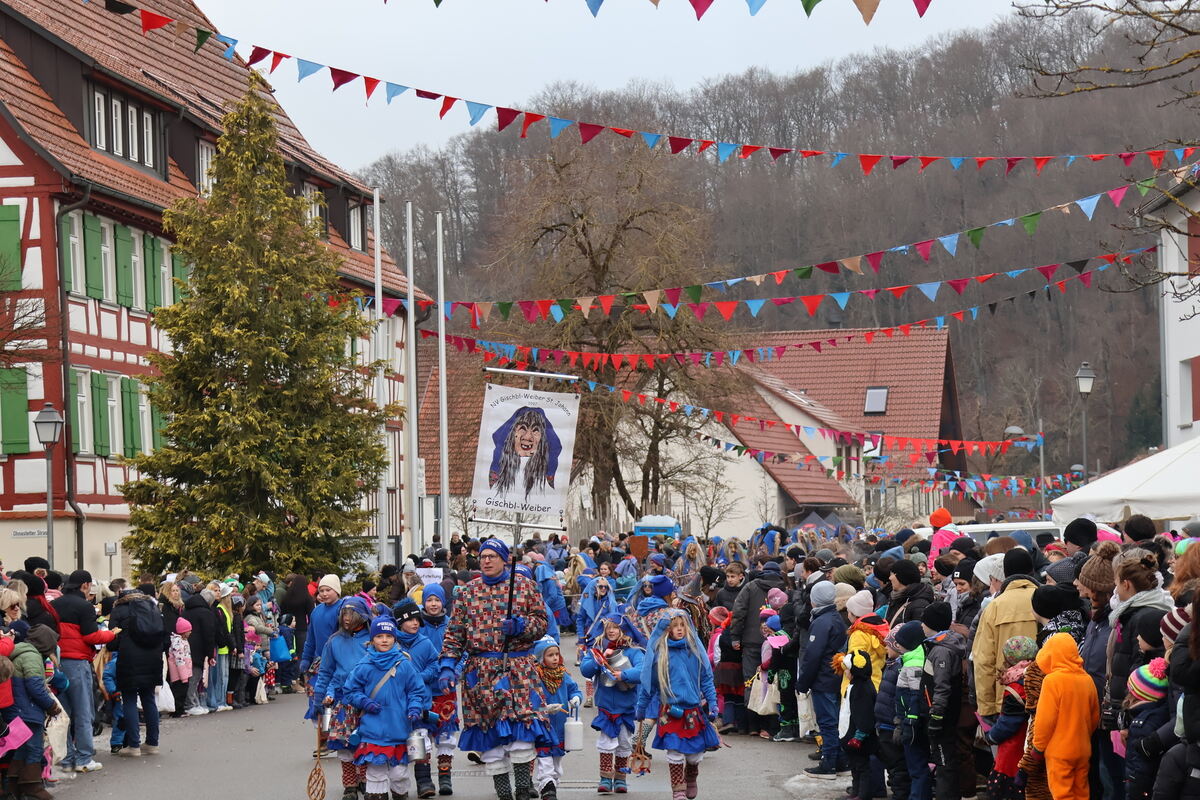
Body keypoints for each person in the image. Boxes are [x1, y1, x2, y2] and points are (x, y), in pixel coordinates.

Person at [437, 538, 550, 800]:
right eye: (483, 556)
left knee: (522, 727)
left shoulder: (524, 586)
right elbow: (454, 634)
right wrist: (447, 665)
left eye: (492, 556)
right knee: (489, 734)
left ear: (504, 559)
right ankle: (503, 793)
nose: (486, 561)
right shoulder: (468, 592)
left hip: (518, 667)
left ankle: (523, 788)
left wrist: (522, 626)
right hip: (481, 672)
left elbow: (542, 623)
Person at [342, 615, 430, 800]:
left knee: (399, 774)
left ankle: (401, 795)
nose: (384, 640)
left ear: (395, 638)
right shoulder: (364, 665)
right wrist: (364, 701)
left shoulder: (405, 664)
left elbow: (416, 690)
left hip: (400, 727)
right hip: (373, 729)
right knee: (375, 774)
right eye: (379, 636)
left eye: (388, 636)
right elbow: (350, 690)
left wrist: (414, 707)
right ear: (372, 639)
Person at [636, 610, 719, 800]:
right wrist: (641, 708)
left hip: (693, 711)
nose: (680, 629)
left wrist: (713, 703)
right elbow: (649, 684)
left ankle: (691, 776)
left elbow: (706, 678)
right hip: (669, 712)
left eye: (683, 626)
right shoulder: (660, 654)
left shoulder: (695, 651)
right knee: (674, 752)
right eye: (675, 626)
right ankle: (678, 790)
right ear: (667, 629)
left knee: (694, 756)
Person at [51, 569, 113, 773]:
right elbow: (91, 637)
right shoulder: (84, 606)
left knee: (65, 713)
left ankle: (67, 758)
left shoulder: (54, 605)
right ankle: (84, 757)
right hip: (78, 663)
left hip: (57, 663)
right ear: (85, 585)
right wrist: (111, 635)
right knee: (84, 710)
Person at [1025, 632, 1100, 800]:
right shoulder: (1087, 679)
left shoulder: (1052, 681)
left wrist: (1038, 748)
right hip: (1083, 748)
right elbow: (1095, 716)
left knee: (1062, 794)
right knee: (1082, 792)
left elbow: (1045, 720)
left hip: (1059, 751)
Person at [314, 597, 373, 800]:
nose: (347, 618)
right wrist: (318, 699)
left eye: (352, 614)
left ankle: (366, 779)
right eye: (344, 614)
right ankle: (349, 783)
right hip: (342, 701)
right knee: (344, 743)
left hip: (367, 700)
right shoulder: (334, 641)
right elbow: (325, 672)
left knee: (365, 741)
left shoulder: (373, 640)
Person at [581, 614, 645, 795]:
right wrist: (599, 658)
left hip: (626, 707)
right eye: (608, 627)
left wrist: (624, 675)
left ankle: (620, 779)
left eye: (615, 627)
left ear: (623, 629)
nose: (611, 630)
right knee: (607, 741)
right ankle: (605, 779)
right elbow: (585, 669)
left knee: (624, 743)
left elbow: (642, 671)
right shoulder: (597, 648)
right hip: (606, 706)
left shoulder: (633, 651)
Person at [973, 549, 1039, 721]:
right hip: (1043, 693)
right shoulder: (1045, 598)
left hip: (1006, 696)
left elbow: (984, 660)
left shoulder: (994, 607)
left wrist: (986, 707)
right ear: (1032, 570)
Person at [728, 561, 786, 737]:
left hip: (752, 641)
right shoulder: (785, 587)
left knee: (751, 682)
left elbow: (739, 612)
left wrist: (735, 637)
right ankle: (769, 726)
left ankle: (751, 725)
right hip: (777, 641)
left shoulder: (750, 587)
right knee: (772, 682)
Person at [797, 581, 846, 780]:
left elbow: (813, 655)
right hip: (834, 677)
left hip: (823, 679)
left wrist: (803, 683)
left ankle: (829, 763)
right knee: (833, 721)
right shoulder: (835, 618)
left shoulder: (822, 621)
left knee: (827, 722)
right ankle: (840, 761)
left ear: (814, 600)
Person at [107, 587, 165, 756]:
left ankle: (134, 745)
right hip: (152, 658)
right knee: (149, 699)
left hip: (129, 659)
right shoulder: (153, 608)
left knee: (130, 699)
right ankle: (152, 743)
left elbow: (112, 640)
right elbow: (164, 636)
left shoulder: (118, 610)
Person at [8, 622, 60, 800]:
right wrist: (51, 706)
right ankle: (32, 786)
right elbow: (35, 687)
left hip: (17, 709)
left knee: (22, 748)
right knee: (34, 748)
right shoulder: (32, 656)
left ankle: (14, 785)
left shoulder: (21, 651)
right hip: (27, 710)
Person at [921, 601, 967, 800]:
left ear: (931, 624)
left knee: (944, 761)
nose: (921, 626)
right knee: (945, 759)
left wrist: (936, 716)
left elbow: (941, 687)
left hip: (943, 716)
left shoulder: (941, 651)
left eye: (924, 622)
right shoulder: (942, 644)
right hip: (945, 712)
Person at [982, 636, 1036, 800]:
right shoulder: (1036, 676)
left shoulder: (1016, 686)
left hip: (1013, 752)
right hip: (1032, 747)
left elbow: (1008, 723)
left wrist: (991, 736)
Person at [531, 637, 581, 800]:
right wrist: (543, 709)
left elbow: (574, 689)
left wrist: (576, 698)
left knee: (557, 761)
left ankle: (553, 784)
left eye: (556, 654)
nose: (554, 658)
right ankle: (547, 785)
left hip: (559, 726)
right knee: (545, 758)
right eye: (550, 655)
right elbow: (530, 703)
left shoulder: (563, 674)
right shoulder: (535, 677)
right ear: (540, 658)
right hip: (543, 725)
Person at [419, 584, 457, 796]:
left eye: (437, 600)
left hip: (445, 690)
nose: (433, 604)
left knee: (445, 735)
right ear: (424, 602)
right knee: (422, 733)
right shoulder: (417, 626)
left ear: (443, 602)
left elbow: (463, 652)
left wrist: (456, 672)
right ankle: (424, 780)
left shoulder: (451, 625)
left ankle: (445, 777)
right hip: (423, 691)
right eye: (429, 600)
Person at [894, 619, 933, 800]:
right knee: (915, 765)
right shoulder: (909, 659)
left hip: (913, 723)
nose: (897, 647)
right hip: (909, 721)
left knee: (917, 766)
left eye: (900, 643)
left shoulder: (914, 663)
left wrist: (909, 720)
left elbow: (916, 695)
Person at [1125, 658, 1170, 800]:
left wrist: (1133, 789)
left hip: (1139, 786)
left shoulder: (1142, 725)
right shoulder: (1160, 713)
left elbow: (1139, 766)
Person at [182, 588, 216, 716]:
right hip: (199, 648)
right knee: (195, 677)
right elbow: (209, 634)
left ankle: (194, 702)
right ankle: (190, 704)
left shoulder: (187, 610)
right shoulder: (206, 613)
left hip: (186, 646)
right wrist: (210, 653)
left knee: (190, 677)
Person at [886, 559, 934, 627]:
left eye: (892, 574)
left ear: (901, 577)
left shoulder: (920, 606)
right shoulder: (897, 598)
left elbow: (919, 633)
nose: (890, 578)